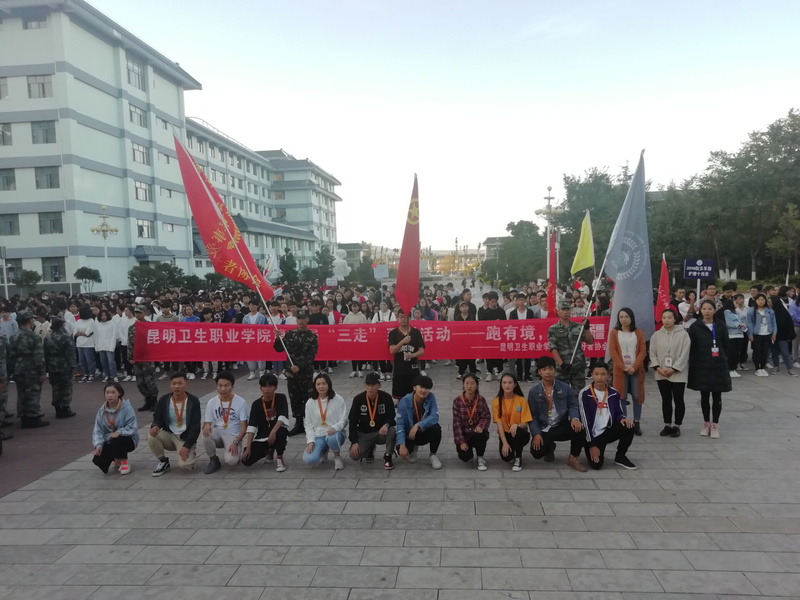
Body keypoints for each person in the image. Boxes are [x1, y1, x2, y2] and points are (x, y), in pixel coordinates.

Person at [527, 356, 587, 472]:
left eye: (550, 368)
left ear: (555, 370)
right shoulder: (534, 391)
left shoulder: (565, 387)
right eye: (544, 369)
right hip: (544, 427)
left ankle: (573, 457)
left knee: (579, 429)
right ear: (539, 372)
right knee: (537, 453)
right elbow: (532, 415)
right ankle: (549, 447)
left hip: (561, 424)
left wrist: (575, 418)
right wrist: (536, 433)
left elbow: (573, 405)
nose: (548, 372)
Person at [577, 361, 636, 470]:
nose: (599, 377)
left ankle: (620, 456)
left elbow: (619, 413)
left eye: (603, 374)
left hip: (607, 430)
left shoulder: (614, 393)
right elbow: (585, 421)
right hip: (592, 434)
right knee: (596, 465)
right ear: (592, 375)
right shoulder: (585, 393)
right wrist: (592, 445)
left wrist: (623, 418)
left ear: (609, 375)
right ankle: (589, 446)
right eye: (596, 374)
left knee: (629, 426)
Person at [688, 300, 731, 439]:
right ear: (700, 310)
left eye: (710, 309)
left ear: (714, 310)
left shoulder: (721, 326)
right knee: (704, 396)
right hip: (702, 366)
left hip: (718, 366)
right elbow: (691, 347)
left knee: (717, 396)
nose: (707, 311)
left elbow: (726, 345)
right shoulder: (695, 327)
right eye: (704, 309)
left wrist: (723, 358)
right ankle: (706, 423)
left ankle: (715, 424)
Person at [147, 372, 201, 476]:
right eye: (174, 383)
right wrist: (155, 426)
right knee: (151, 436)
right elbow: (157, 417)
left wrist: (187, 446)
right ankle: (163, 461)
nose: (176, 386)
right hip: (170, 435)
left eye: (180, 383)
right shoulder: (164, 400)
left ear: (186, 384)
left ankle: (190, 451)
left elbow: (195, 427)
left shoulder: (193, 401)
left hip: (185, 437)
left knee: (186, 466)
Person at [274, 310, 318, 436]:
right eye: (299, 319)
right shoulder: (290, 334)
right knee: (294, 398)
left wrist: (299, 366)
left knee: (308, 398)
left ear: (307, 320)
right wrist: (278, 338)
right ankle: (298, 423)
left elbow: (311, 355)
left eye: (303, 318)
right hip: (291, 374)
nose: (301, 321)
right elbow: (278, 349)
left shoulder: (312, 336)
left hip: (305, 373)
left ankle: (310, 423)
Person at [649, 308, 691, 438]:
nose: (666, 320)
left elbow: (685, 353)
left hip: (678, 373)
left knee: (678, 399)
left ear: (675, 319)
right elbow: (652, 352)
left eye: (669, 317)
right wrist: (658, 368)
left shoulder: (683, 334)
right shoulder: (656, 335)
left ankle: (677, 425)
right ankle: (667, 424)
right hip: (661, 372)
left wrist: (674, 368)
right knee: (666, 399)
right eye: (664, 318)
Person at [608, 308, 646, 436]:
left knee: (637, 396)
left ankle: (636, 422)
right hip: (621, 370)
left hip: (636, 369)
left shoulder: (638, 332)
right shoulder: (614, 332)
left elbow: (642, 351)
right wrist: (623, 367)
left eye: (626, 316)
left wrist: (635, 366)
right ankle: (623, 422)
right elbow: (613, 351)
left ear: (631, 318)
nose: (624, 319)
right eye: (621, 317)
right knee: (621, 396)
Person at [202, 372, 249, 474]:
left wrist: (236, 442)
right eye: (220, 386)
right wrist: (206, 426)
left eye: (226, 385)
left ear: (232, 386)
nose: (223, 389)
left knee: (232, 461)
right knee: (206, 434)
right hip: (218, 433)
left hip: (233, 435)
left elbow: (244, 428)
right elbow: (207, 422)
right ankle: (213, 459)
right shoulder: (211, 402)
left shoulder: (240, 402)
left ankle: (235, 450)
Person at [348, 372, 396, 470]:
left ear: (379, 385)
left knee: (392, 431)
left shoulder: (386, 397)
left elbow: (391, 416)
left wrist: (386, 424)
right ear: (364, 385)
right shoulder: (358, 399)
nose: (370, 388)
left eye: (373, 385)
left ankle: (388, 455)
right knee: (354, 456)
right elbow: (352, 421)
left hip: (380, 433)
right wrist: (354, 442)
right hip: (365, 433)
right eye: (368, 384)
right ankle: (370, 448)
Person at [8, 311, 48, 428]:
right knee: (33, 392)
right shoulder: (34, 336)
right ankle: (33, 417)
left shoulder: (14, 336)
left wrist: (12, 370)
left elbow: (11, 355)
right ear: (30, 321)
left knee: (21, 393)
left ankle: (23, 416)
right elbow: (39, 356)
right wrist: (42, 372)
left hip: (18, 368)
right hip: (31, 368)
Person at [242, 373, 289, 472]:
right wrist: (248, 447)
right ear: (261, 388)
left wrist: (273, 432)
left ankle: (279, 457)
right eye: (264, 386)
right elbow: (252, 426)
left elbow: (282, 417)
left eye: (270, 386)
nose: (267, 389)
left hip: (277, 432)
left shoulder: (281, 398)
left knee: (281, 431)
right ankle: (269, 450)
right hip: (262, 436)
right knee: (246, 460)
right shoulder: (256, 404)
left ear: (275, 388)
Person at [396, 375, 442, 469]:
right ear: (414, 387)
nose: (424, 390)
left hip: (422, 431)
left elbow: (435, 416)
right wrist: (401, 444)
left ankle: (433, 455)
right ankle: (412, 448)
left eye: (427, 388)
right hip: (409, 434)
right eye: (421, 387)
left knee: (436, 428)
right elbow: (400, 424)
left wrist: (418, 425)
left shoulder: (431, 397)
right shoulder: (404, 401)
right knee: (402, 452)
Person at [91, 382, 139, 474]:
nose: (110, 395)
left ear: (119, 393)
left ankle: (124, 462)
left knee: (117, 440)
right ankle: (116, 458)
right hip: (109, 439)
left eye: (113, 392)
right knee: (98, 459)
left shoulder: (127, 408)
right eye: (107, 392)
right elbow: (98, 430)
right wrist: (98, 445)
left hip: (128, 438)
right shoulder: (102, 411)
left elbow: (132, 427)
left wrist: (119, 432)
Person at [303, 372, 348, 470]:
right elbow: (308, 424)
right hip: (318, 435)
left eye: (324, 383)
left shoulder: (338, 399)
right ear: (315, 386)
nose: (321, 386)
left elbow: (344, 419)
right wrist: (310, 441)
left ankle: (337, 456)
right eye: (318, 384)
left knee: (332, 438)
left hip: (335, 433)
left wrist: (335, 427)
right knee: (309, 459)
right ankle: (324, 450)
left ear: (329, 384)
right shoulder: (310, 402)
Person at [548, 300, 594, 395]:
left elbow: (590, 341)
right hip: (562, 368)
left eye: (567, 309)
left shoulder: (578, 327)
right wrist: (562, 364)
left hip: (578, 366)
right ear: (558, 311)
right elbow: (553, 348)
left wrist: (586, 329)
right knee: (561, 394)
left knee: (579, 394)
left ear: (570, 311)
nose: (565, 312)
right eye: (563, 309)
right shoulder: (553, 329)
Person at [492, 373, 532, 472]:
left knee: (517, 431)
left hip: (520, 433)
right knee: (507, 458)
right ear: (501, 384)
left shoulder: (521, 400)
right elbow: (499, 425)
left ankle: (518, 457)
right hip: (506, 433)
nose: (507, 385)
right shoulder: (496, 402)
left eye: (510, 382)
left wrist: (516, 425)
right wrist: (505, 443)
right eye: (504, 382)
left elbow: (525, 423)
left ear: (515, 385)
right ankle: (511, 450)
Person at [452, 372, 491, 471]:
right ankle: (468, 452)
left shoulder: (481, 400)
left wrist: (481, 426)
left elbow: (486, 416)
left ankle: (480, 457)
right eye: (467, 383)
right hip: (465, 435)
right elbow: (456, 423)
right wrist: (461, 441)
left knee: (480, 435)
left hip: (477, 433)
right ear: (463, 384)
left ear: (476, 385)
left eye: (472, 383)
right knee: (465, 457)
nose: (469, 386)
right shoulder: (457, 401)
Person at [388, 309, 425, 401]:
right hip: (399, 369)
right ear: (397, 318)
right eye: (401, 317)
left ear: (410, 318)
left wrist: (412, 355)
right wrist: (403, 341)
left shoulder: (416, 332)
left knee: (415, 396)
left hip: (413, 369)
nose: (403, 319)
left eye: (406, 317)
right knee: (400, 398)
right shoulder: (393, 333)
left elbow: (421, 351)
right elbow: (392, 351)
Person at [43, 317, 77, 419]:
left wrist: (46, 367)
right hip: (64, 366)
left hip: (52, 366)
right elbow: (70, 354)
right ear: (62, 325)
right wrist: (72, 366)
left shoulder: (48, 338)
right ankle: (65, 408)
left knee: (56, 387)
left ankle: (57, 408)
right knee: (66, 387)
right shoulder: (65, 337)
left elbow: (45, 353)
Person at [128, 305, 159, 412]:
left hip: (147, 358)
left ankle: (154, 401)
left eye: (139, 312)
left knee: (149, 380)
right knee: (140, 382)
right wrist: (130, 357)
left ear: (144, 313)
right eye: (136, 312)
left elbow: (154, 341)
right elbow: (130, 343)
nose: (137, 314)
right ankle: (148, 400)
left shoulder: (149, 326)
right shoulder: (132, 327)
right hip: (137, 358)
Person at [508, 293, 538, 382]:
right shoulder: (513, 313)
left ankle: (527, 373)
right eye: (519, 300)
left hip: (528, 336)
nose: (520, 302)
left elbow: (533, 324)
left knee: (528, 356)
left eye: (522, 300)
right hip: (517, 337)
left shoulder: (530, 312)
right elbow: (511, 325)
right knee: (519, 356)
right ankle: (519, 374)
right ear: (516, 301)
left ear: (525, 301)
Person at [478, 292, 506, 382]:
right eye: (492, 302)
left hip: (499, 337)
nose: (494, 303)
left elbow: (505, 324)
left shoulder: (501, 311)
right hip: (488, 337)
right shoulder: (485, 312)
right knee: (489, 355)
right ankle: (489, 372)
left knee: (499, 355)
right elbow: (481, 325)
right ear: (488, 301)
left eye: (495, 302)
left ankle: (499, 371)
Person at [746, 293, 776, 377]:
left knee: (765, 351)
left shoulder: (769, 310)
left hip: (767, 333)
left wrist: (774, 333)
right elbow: (749, 323)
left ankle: (763, 367)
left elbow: (774, 323)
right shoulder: (752, 310)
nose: (761, 301)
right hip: (757, 334)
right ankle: (757, 368)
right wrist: (750, 334)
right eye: (758, 300)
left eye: (762, 299)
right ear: (756, 301)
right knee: (757, 351)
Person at [769, 290, 797, 376]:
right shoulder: (769, 312)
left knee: (785, 353)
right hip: (772, 335)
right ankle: (776, 367)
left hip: (782, 336)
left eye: (770, 301)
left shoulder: (784, 313)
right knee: (774, 352)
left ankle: (789, 368)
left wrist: (789, 336)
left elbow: (789, 325)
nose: (769, 303)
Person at [453, 301, 478, 380]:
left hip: (471, 340)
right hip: (461, 341)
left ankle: (473, 372)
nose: (464, 308)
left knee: (472, 357)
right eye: (462, 306)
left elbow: (475, 327)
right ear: (459, 308)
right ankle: (461, 373)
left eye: (466, 306)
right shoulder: (457, 317)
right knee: (461, 357)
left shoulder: (472, 316)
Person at [243, 300, 267, 380]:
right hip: (249, 339)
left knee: (261, 355)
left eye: (253, 305)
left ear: (257, 306)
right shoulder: (246, 317)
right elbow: (243, 329)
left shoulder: (261, 317)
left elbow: (265, 328)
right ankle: (252, 372)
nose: (251, 307)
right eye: (250, 305)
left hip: (259, 339)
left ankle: (261, 371)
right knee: (250, 355)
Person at [74, 305, 97, 382]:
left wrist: (81, 333)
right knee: (81, 360)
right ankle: (85, 374)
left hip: (88, 343)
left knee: (89, 360)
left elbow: (88, 333)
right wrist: (82, 333)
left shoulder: (91, 321)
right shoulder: (78, 321)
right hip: (79, 344)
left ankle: (91, 374)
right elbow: (75, 332)